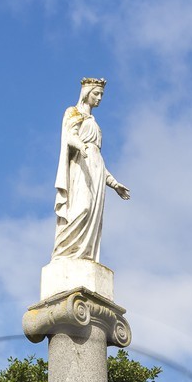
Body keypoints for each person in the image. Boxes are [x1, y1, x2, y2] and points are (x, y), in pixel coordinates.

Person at [52, 77, 129, 262]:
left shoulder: (94, 122)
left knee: (94, 218)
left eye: (101, 94)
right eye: (96, 93)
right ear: (87, 94)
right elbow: (70, 136)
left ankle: (84, 255)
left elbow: (99, 160)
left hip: (96, 168)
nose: (99, 98)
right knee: (82, 208)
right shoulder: (74, 112)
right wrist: (81, 146)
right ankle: (64, 252)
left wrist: (114, 183)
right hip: (80, 165)